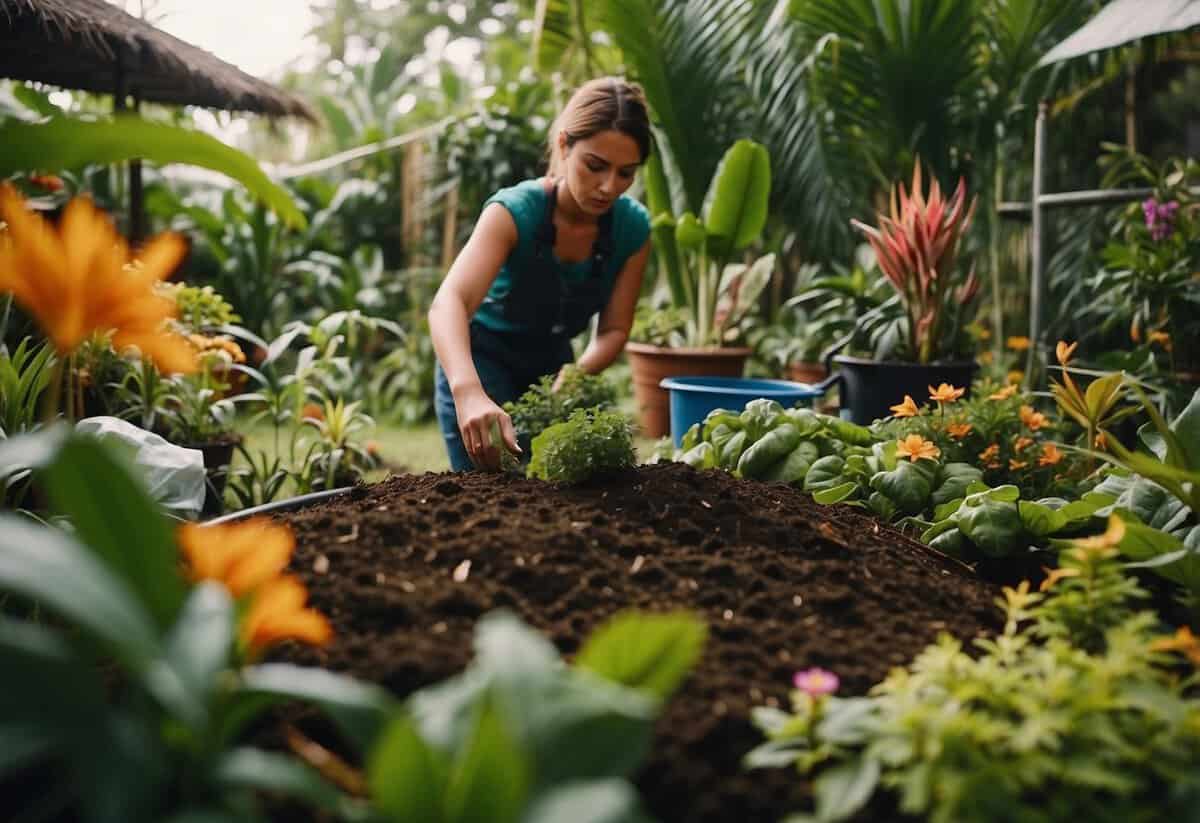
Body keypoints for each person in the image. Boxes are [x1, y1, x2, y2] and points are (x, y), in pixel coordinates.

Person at [429, 77, 652, 471]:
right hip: (481, 360)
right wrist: (467, 391)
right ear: (565, 145)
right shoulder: (515, 212)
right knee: (490, 494)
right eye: (595, 166)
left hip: (553, 365)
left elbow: (615, 328)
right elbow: (450, 302)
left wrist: (578, 373)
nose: (608, 187)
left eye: (625, 173)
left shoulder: (632, 229)